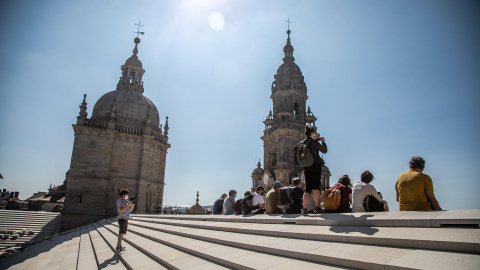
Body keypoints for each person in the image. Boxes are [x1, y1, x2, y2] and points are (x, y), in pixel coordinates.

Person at [301, 125, 328, 216]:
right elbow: (324, 151)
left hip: (306, 167)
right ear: (312, 133)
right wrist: (323, 142)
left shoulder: (303, 143)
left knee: (307, 189)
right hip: (315, 166)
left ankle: (304, 209)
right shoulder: (314, 143)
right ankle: (317, 207)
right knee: (316, 187)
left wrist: (316, 139)